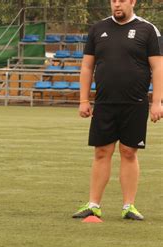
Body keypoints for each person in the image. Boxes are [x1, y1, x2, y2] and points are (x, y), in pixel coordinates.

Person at [73, 0, 162, 220]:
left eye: (121, 0)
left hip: (135, 103)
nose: (117, 5)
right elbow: (86, 66)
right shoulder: (98, 29)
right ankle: (93, 204)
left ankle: (128, 206)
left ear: (133, 2)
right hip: (104, 103)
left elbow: (158, 67)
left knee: (129, 152)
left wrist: (157, 102)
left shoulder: (148, 29)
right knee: (101, 152)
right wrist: (84, 100)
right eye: (113, 1)